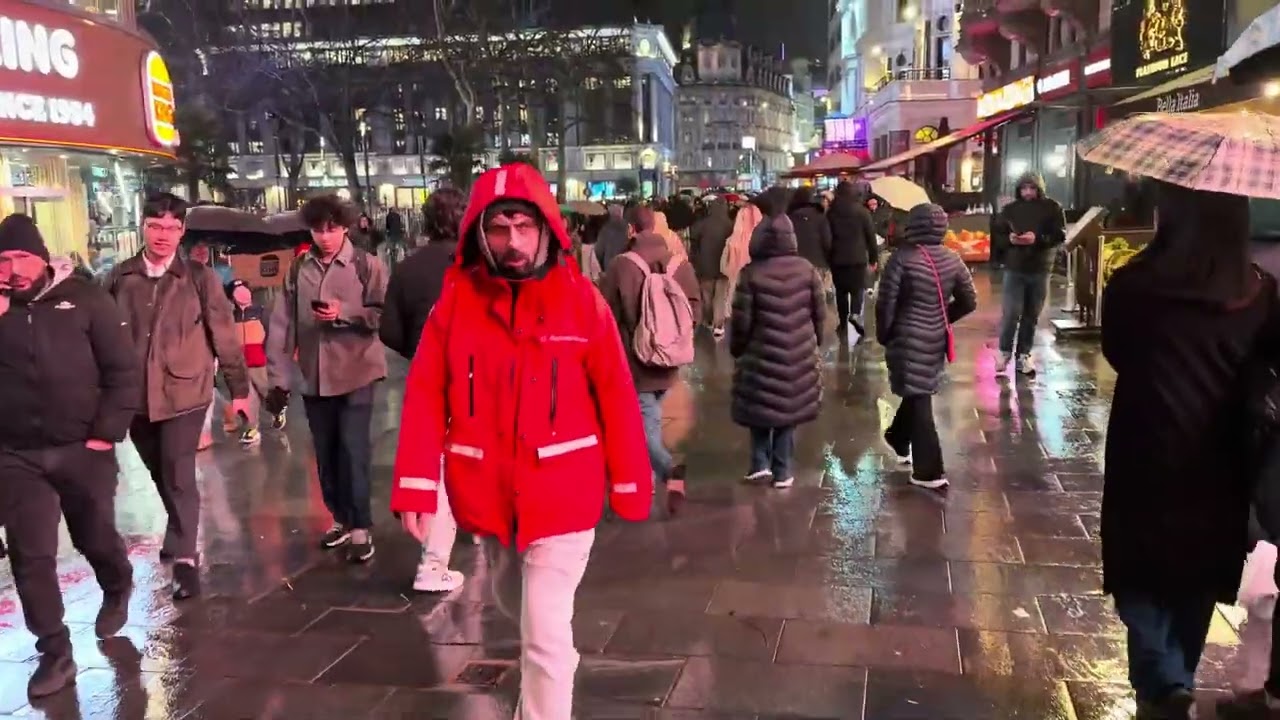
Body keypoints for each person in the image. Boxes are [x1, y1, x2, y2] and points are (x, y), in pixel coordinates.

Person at [391, 163, 651, 719]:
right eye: (500, 228)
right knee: (517, 608)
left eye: (524, 226)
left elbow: (618, 396)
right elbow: (424, 397)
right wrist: (415, 486)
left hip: (564, 495)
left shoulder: (583, 303)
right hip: (486, 498)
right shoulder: (453, 307)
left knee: (546, 634)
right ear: (480, 234)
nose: (513, 241)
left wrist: (631, 480)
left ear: (546, 230)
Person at [1100, 184, 1275, 720]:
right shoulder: (1258, 293)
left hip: (1144, 447)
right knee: (1194, 576)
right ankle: (1174, 679)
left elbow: (1117, 352)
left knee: (1139, 573)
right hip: (1221, 458)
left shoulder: (1132, 284)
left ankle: (1165, 685)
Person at [0, 216, 139, 698]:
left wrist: (105, 435)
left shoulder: (85, 299)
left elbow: (123, 371)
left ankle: (116, 581)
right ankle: (55, 651)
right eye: (3, 260)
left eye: (20, 258)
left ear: (41, 258)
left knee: (93, 535)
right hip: (16, 453)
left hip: (82, 448)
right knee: (30, 555)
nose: (12, 269)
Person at [106, 193, 251, 600]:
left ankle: (186, 558)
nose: (163, 235)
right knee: (158, 471)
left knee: (178, 469)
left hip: (187, 390)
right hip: (135, 395)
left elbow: (224, 336)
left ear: (182, 231)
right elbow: (100, 336)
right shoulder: (120, 277)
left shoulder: (200, 278)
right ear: (143, 226)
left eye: (172, 227)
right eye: (156, 226)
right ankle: (178, 528)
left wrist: (239, 391)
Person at [267, 194, 388, 564]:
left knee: (353, 451)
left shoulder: (367, 265)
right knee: (326, 452)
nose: (325, 237)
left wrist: (345, 313)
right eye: (318, 230)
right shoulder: (298, 268)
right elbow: (281, 324)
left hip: (357, 371)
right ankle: (339, 517)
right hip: (314, 376)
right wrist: (279, 376)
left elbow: (383, 314)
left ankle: (361, 527)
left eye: (332, 229)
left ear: (346, 227)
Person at [379, 188, 468, 593]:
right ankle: (436, 564)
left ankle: (434, 558)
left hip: (427, 374)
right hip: (476, 375)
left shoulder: (410, 267)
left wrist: (418, 351)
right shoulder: (475, 266)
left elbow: (389, 330)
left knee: (435, 465)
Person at [600, 206, 700, 516]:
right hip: (669, 361)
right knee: (651, 419)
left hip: (636, 362)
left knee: (645, 428)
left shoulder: (621, 265)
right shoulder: (679, 264)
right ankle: (653, 479)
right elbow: (695, 310)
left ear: (631, 230)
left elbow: (604, 316)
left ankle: (669, 471)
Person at [875, 204, 978, 490]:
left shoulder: (901, 259)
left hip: (905, 337)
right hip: (935, 338)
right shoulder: (953, 259)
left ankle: (929, 471)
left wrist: (885, 334)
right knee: (919, 392)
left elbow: (886, 303)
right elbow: (969, 300)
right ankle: (897, 435)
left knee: (919, 398)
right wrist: (943, 318)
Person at [729, 208, 824, 489]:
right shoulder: (807, 270)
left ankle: (759, 464)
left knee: (761, 406)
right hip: (798, 352)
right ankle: (782, 470)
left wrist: (738, 348)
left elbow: (741, 319)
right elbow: (819, 314)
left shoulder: (751, 273)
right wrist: (815, 342)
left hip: (760, 354)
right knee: (787, 411)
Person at [991, 172, 1066, 376]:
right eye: (1024, 188)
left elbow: (1059, 235)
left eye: (1032, 188)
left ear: (1039, 188)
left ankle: (1023, 355)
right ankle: (1004, 351)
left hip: (1040, 268)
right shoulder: (1010, 210)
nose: (1028, 192)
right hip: (1015, 268)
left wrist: (1038, 239)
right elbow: (997, 235)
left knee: (1031, 315)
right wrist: (1010, 240)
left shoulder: (1052, 208)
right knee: (1011, 313)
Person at [381, 188, 466, 359]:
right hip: (476, 367)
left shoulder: (406, 268)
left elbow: (390, 333)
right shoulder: (484, 264)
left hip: (424, 361)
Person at [826, 181, 879, 337]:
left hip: (837, 259)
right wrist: (873, 258)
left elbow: (826, 236)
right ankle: (855, 314)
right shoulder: (862, 212)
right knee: (857, 290)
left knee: (840, 293)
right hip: (857, 258)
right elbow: (871, 236)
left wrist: (827, 256)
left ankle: (842, 323)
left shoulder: (831, 213)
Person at [223, 280, 270, 447]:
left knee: (266, 391)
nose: (242, 294)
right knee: (247, 396)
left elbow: (271, 334)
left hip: (260, 362)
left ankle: (278, 409)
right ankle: (251, 428)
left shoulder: (261, 312)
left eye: (244, 290)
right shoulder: (231, 317)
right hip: (241, 365)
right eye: (237, 292)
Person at [690, 197, 734, 334]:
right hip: (723, 266)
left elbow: (693, 239)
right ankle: (718, 324)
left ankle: (708, 319)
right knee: (720, 295)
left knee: (706, 294)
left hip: (704, 265)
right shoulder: (731, 225)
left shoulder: (702, 224)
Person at [788, 186, 833, 301]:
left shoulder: (789, 217)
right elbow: (827, 241)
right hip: (818, 263)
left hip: (795, 264)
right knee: (818, 299)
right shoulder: (820, 217)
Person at [594, 203, 630, 270]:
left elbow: (598, 251)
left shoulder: (605, 229)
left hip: (609, 266)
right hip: (626, 265)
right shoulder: (628, 228)